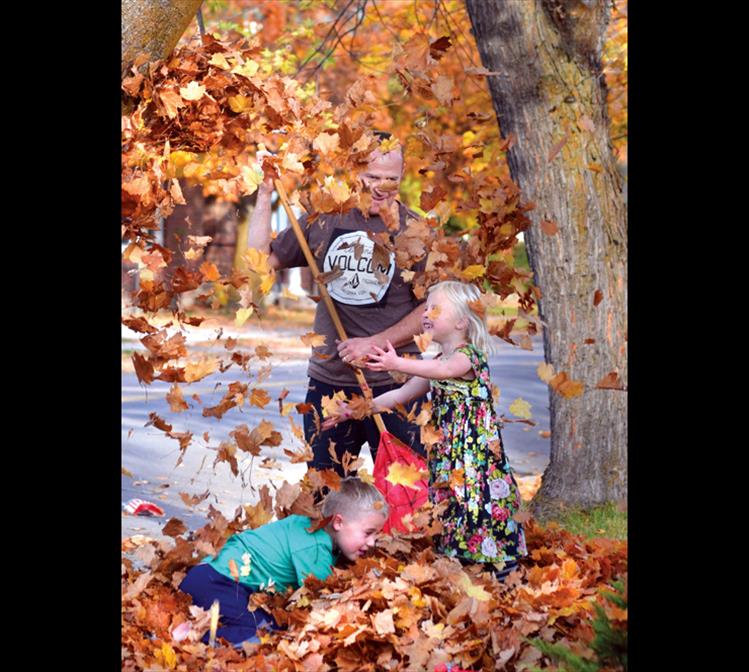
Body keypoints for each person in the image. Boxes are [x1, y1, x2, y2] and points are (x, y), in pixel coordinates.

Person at [247, 131, 427, 476]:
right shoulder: (325, 219)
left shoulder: (415, 230)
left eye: (392, 179)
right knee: (323, 498)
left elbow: (434, 309)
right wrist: (265, 193)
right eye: (372, 177)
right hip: (329, 387)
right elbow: (259, 261)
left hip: (399, 387)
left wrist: (375, 344)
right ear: (354, 171)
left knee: (409, 502)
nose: (382, 187)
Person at [323, 281, 528, 581]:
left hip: (476, 459)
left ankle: (503, 570)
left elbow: (444, 372)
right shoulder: (436, 361)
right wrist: (354, 410)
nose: (426, 314)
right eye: (426, 308)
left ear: (461, 321)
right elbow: (398, 396)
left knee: (482, 508)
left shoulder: (468, 357)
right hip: (449, 456)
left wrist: (397, 362)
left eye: (435, 308)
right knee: (452, 508)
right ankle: (461, 564)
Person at [178, 477, 388, 646]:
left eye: (376, 535)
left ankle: (198, 627)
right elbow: (323, 600)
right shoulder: (314, 548)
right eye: (368, 533)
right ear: (339, 522)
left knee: (267, 623)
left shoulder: (313, 528)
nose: (372, 543)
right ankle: (189, 636)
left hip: (211, 574)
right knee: (262, 634)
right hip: (219, 583)